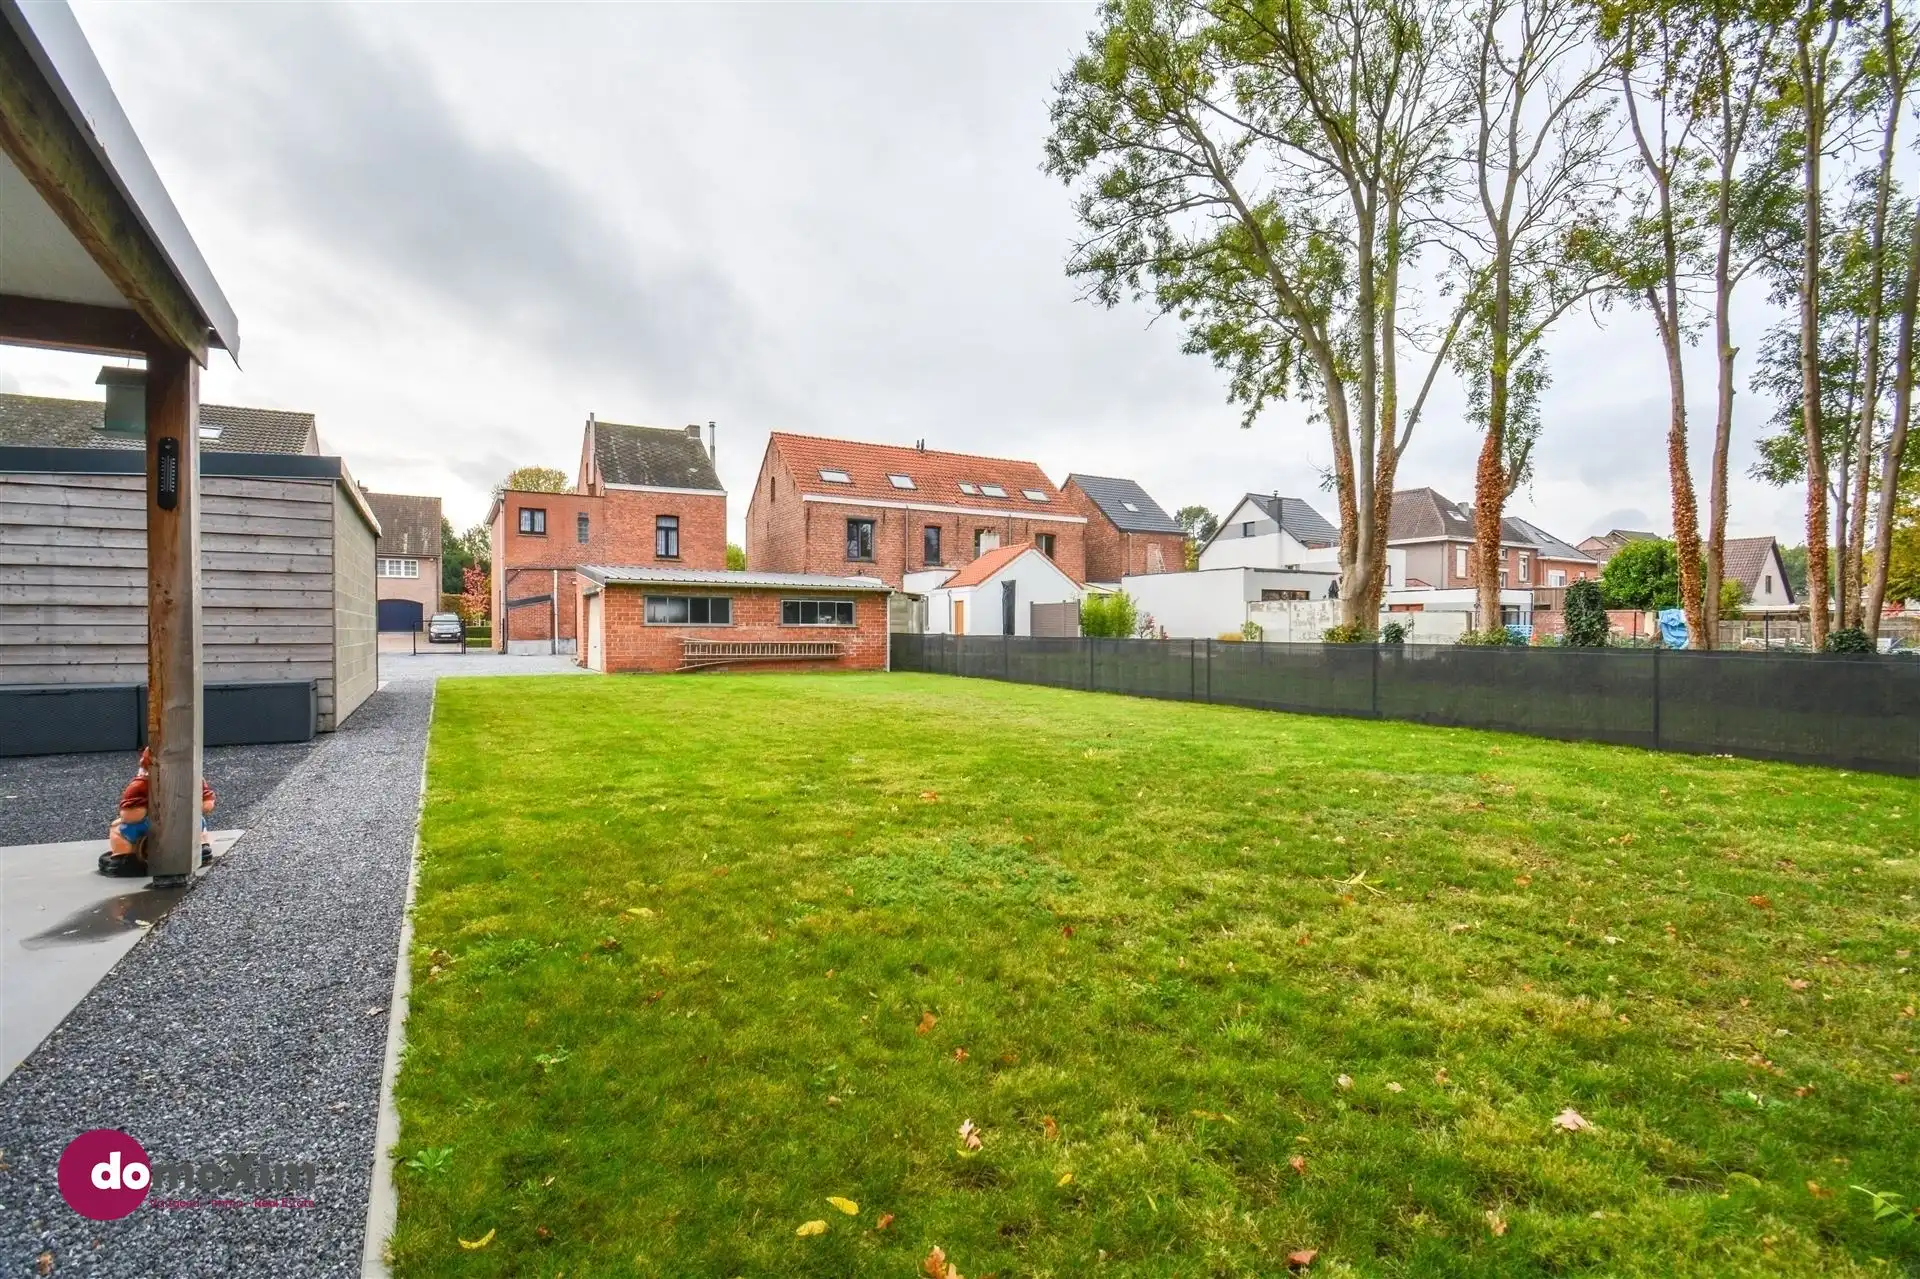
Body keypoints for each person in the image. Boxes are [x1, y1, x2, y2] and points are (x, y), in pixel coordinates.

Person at [98, 748, 215, 878]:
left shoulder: (140, 784)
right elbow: (207, 804)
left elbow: (131, 815)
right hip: (184, 820)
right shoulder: (194, 778)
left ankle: (124, 857)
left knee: (117, 829)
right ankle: (201, 846)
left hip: (155, 824)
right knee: (198, 822)